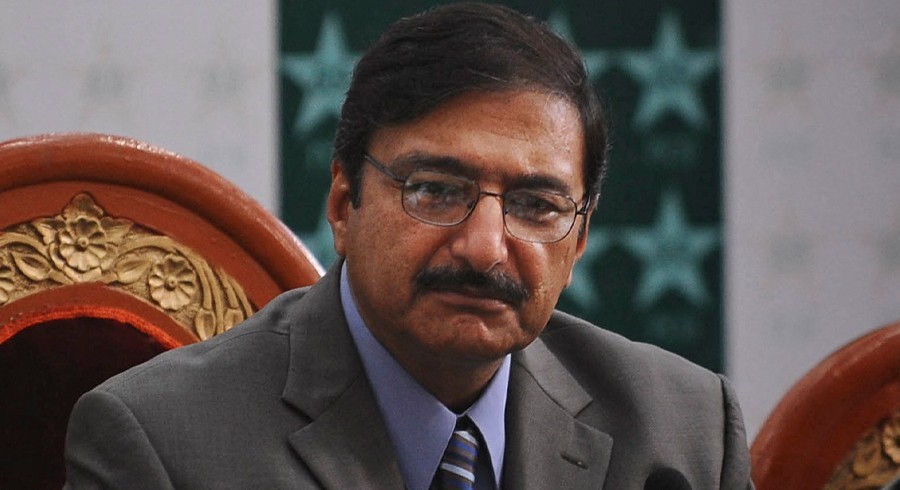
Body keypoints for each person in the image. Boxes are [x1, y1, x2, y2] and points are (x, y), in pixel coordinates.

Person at [63, 2, 754, 488]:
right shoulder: (162, 443)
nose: (485, 249)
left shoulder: (686, 435)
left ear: (578, 243)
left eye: (535, 206)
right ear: (344, 204)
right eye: (437, 191)